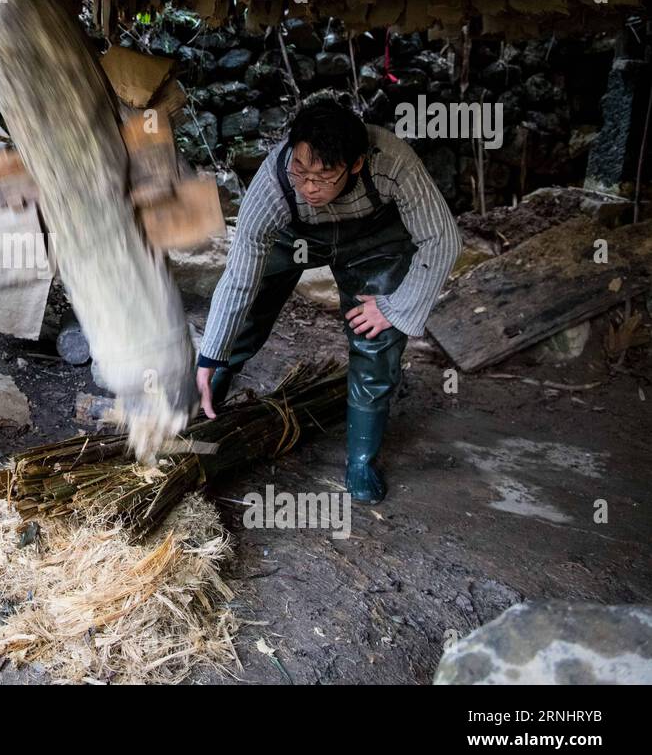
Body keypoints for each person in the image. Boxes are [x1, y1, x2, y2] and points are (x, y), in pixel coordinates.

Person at [196, 94, 459, 504]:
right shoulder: (276, 180)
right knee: (245, 315)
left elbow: (441, 238)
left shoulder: (392, 161)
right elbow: (240, 274)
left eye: (323, 176)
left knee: (374, 338)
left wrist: (394, 307)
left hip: (374, 241)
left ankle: (361, 461)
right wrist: (210, 352)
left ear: (356, 164)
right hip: (294, 238)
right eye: (301, 171)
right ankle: (202, 410)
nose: (309, 186)